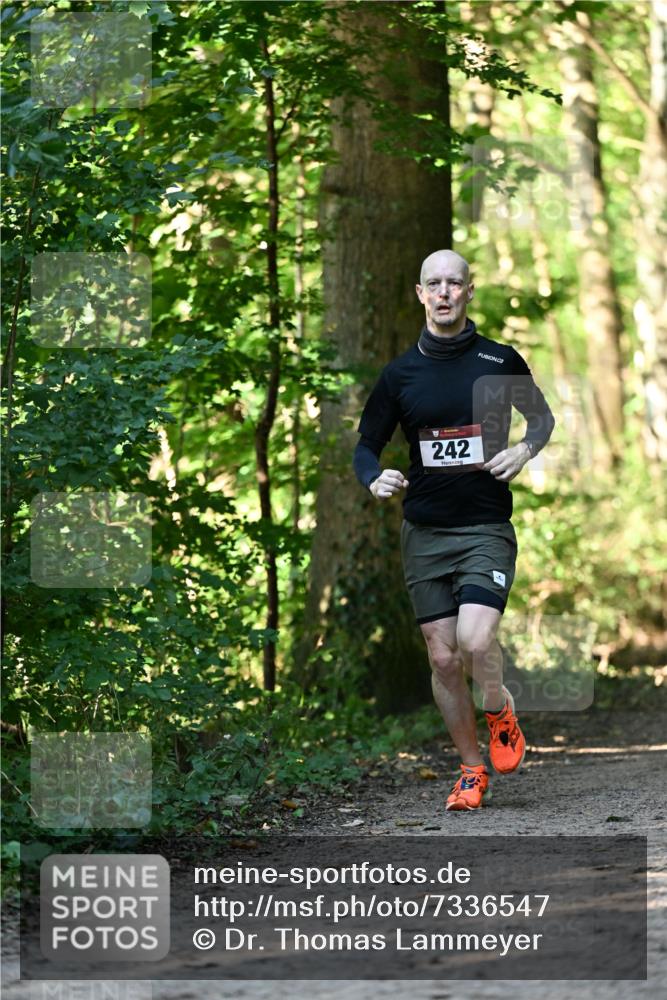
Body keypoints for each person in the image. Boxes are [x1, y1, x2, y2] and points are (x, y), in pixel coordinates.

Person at [353, 249, 555, 811]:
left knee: (474, 640)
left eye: (454, 283)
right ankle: (470, 769)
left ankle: (498, 708)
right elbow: (366, 446)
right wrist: (374, 480)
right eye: (433, 284)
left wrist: (523, 449)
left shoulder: (498, 360)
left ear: (469, 291)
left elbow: (541, 418)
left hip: (485, 525)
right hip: (425, 532)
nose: (444, 293)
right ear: (421, 294)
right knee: (442, 658)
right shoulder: (400, 375)